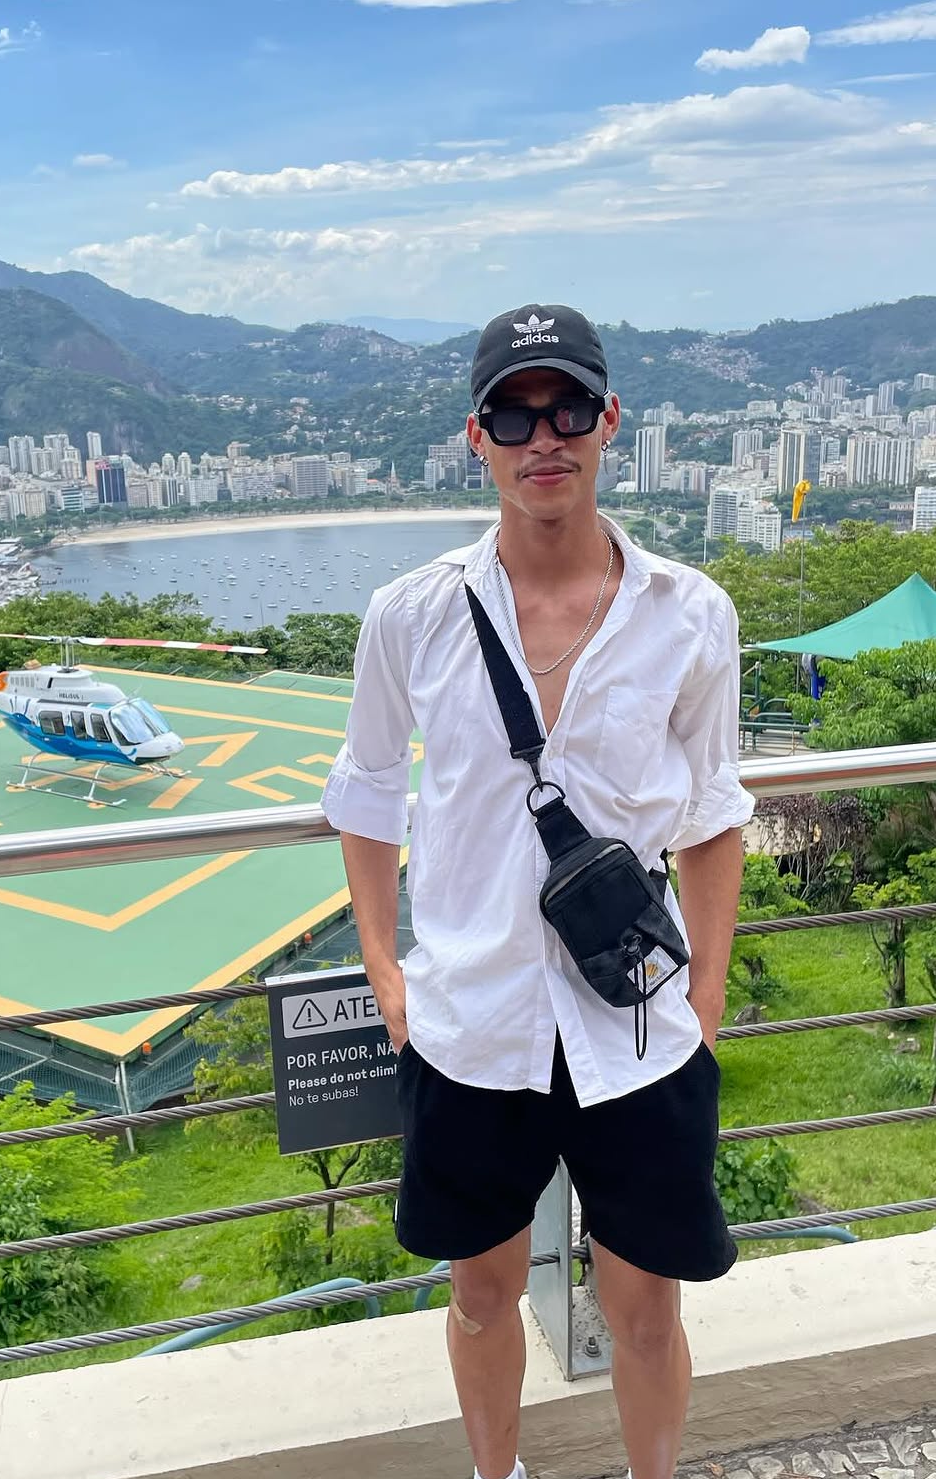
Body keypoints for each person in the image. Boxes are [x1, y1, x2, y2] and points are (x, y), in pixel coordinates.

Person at [322, 304, 754, 1479]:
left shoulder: (689, 615)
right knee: (479, 1293)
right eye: (515, 413)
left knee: (649, 1308)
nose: (542, 435)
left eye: (567, 407)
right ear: (479, 437)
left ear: (609, 420)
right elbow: (363, 794)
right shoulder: (410, 615)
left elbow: (715, 820)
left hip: (637, 1024)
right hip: (472, 1018)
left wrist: (703, 1007)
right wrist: (381, 968)